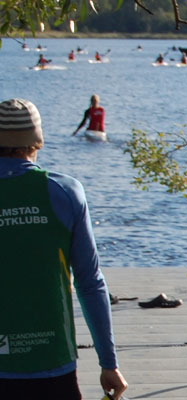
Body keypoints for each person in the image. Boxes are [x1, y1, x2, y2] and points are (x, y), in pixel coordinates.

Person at [0, 98, 129, 399]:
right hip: (51, 362)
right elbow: (90, 282)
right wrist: (108, 362)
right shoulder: (64, 191)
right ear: (37, 141)